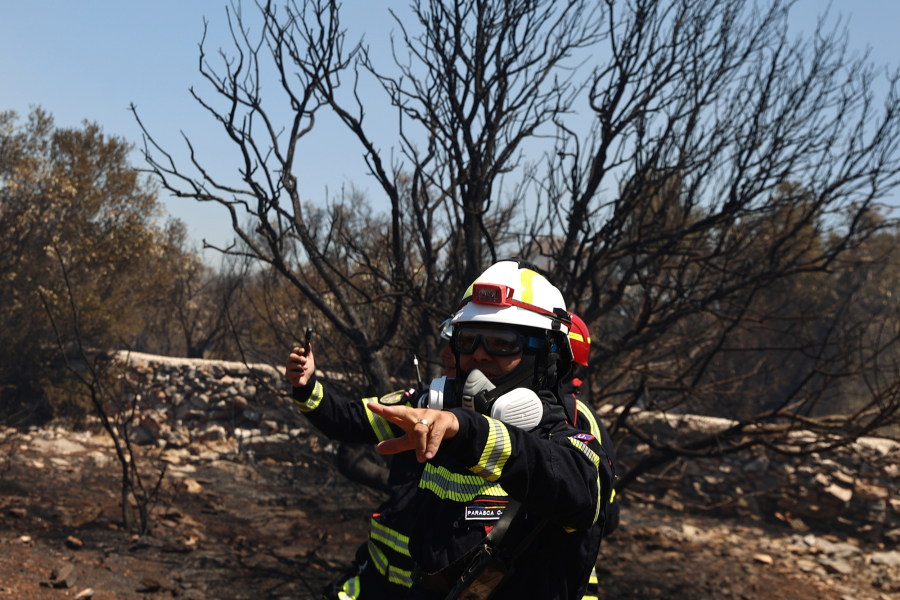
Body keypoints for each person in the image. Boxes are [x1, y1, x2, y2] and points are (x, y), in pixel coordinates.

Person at [288, 259, 615, 599]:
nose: (478, 356)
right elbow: (351, 419)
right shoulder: (437, 413)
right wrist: (305, 389)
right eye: (468, 340)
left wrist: (469, 431)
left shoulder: (567, 439)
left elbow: (582, 491)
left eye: (502, 343)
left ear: (546, 357)